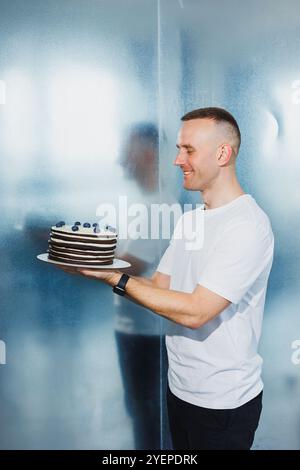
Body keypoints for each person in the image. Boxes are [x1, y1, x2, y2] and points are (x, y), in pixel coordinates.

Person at [58, 107, 274, 450]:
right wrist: (101, 270)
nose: (177, 160)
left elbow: (197, 311)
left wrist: (114, 277)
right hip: (180, 389)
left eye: (188, 150)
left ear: (222, 153)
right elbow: (160, 287)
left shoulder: (247, 225)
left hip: (223, 403)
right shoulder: (192, 221)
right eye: (178, 148)